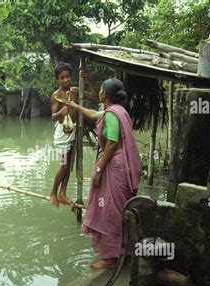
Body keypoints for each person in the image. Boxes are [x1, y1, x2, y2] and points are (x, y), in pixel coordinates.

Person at [67, 78, 142, 269]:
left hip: (115, 166)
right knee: (119, 209)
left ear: (104, 94)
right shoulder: (118, 111)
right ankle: (124, 251)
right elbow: (93, 114)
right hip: (122, 165)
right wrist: (75, 105)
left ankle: (110, 258)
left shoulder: (111, 114)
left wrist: (99, 170)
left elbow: (112, 142)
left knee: (110, 211)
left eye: (100, 89)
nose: (98, 91)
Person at [50, 62, 98, 207]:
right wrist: (61, 112)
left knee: (69, 165)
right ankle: (53, 192)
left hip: (74, 130)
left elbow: (95, 97)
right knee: (64, 166)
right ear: (58, 79)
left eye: (67, 77)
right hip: (62, 133)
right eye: (62, 78)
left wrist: (88, 80)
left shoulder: (76, 91)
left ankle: (62, 193)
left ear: (71, 77)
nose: (65, 80)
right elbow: (53, 117)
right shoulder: (56, 95)